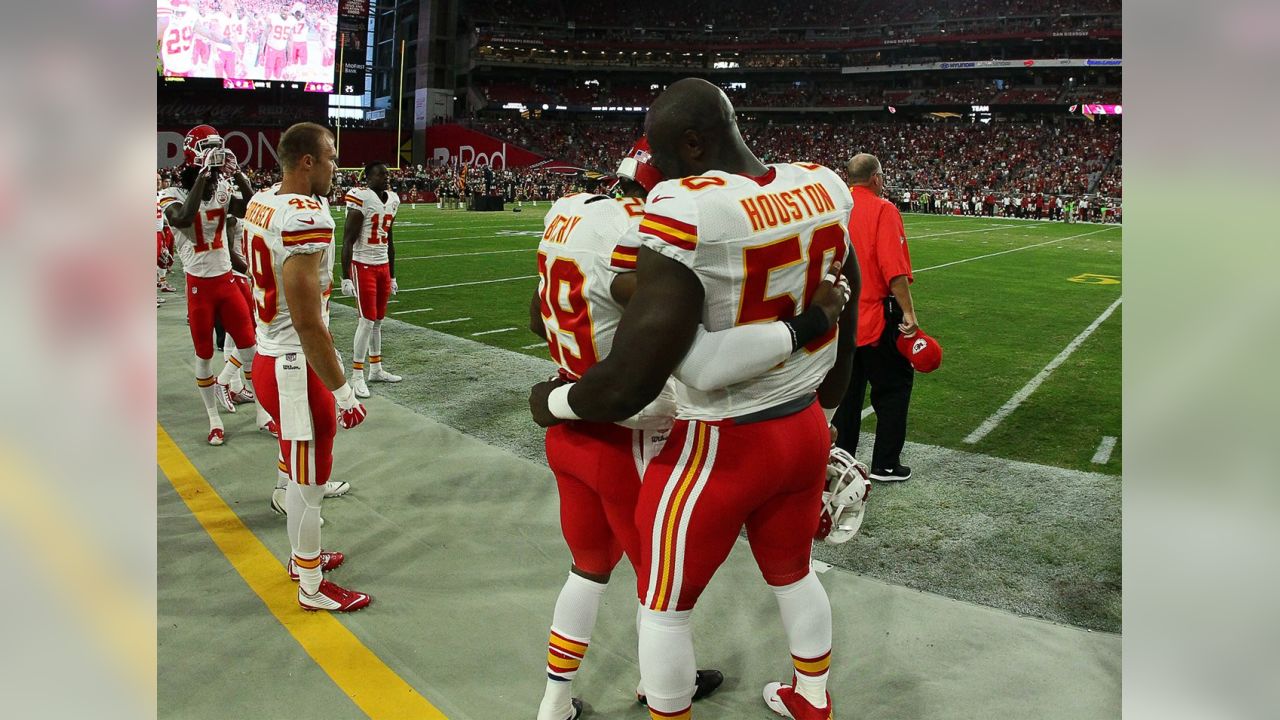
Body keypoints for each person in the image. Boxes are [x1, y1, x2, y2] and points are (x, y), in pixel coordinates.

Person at [529, 78, 859, 720]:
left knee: (661, 608)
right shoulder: (824, 183)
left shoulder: (671, 209)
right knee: (795, 572)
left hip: (719, 440)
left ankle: (623, 704)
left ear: (690, 147)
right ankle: (812, 695)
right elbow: (848, 288)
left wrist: (553, 401)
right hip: (802, 425)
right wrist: (827, 394)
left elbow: (691, 368)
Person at [241, 122, 370, 611]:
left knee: (299, 476)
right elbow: (309, 322)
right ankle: (312, 589)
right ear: (307, 162)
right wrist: (342, 389)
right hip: (295, 368)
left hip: (270, 356)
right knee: (312, 483)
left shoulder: (264, 202)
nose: (337, 167)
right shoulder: (301, 217)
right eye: (332, 157)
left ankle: (302, 560)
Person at [159, 125, 258, 446]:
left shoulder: (221, 187)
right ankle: (214, 420)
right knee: (204, 356)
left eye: (218, 147)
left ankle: (264, 414)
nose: (214, 153)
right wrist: (203, 174)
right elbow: (185, 218)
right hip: (199, 287)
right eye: (208, 147)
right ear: (194, 151)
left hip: (227, 280)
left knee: (251, 350)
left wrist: (239, 175)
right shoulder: (170, 194)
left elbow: (249, 209)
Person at [831, 154, 919, 482]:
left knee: (846, 396)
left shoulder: (835, 209)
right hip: (877, 317)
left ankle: (842, 463)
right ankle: (885, 463)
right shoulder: (884, 209)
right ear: (877, 179)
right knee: (894, 388)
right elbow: (893, 269)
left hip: (840, 316)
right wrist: (908, 312)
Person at [341, 161, 403, 399]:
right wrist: (345, 276)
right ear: (367, 178)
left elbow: (390, 239)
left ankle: (375, 368)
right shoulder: (361, 198)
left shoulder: (393, 200)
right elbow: (347, 240)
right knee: (366, 321)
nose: (386, 177)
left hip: (382, 266)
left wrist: (393, 274)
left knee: (377, 321)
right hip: (363, 264)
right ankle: (356, 375)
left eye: (387, 174)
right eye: (380, 174)